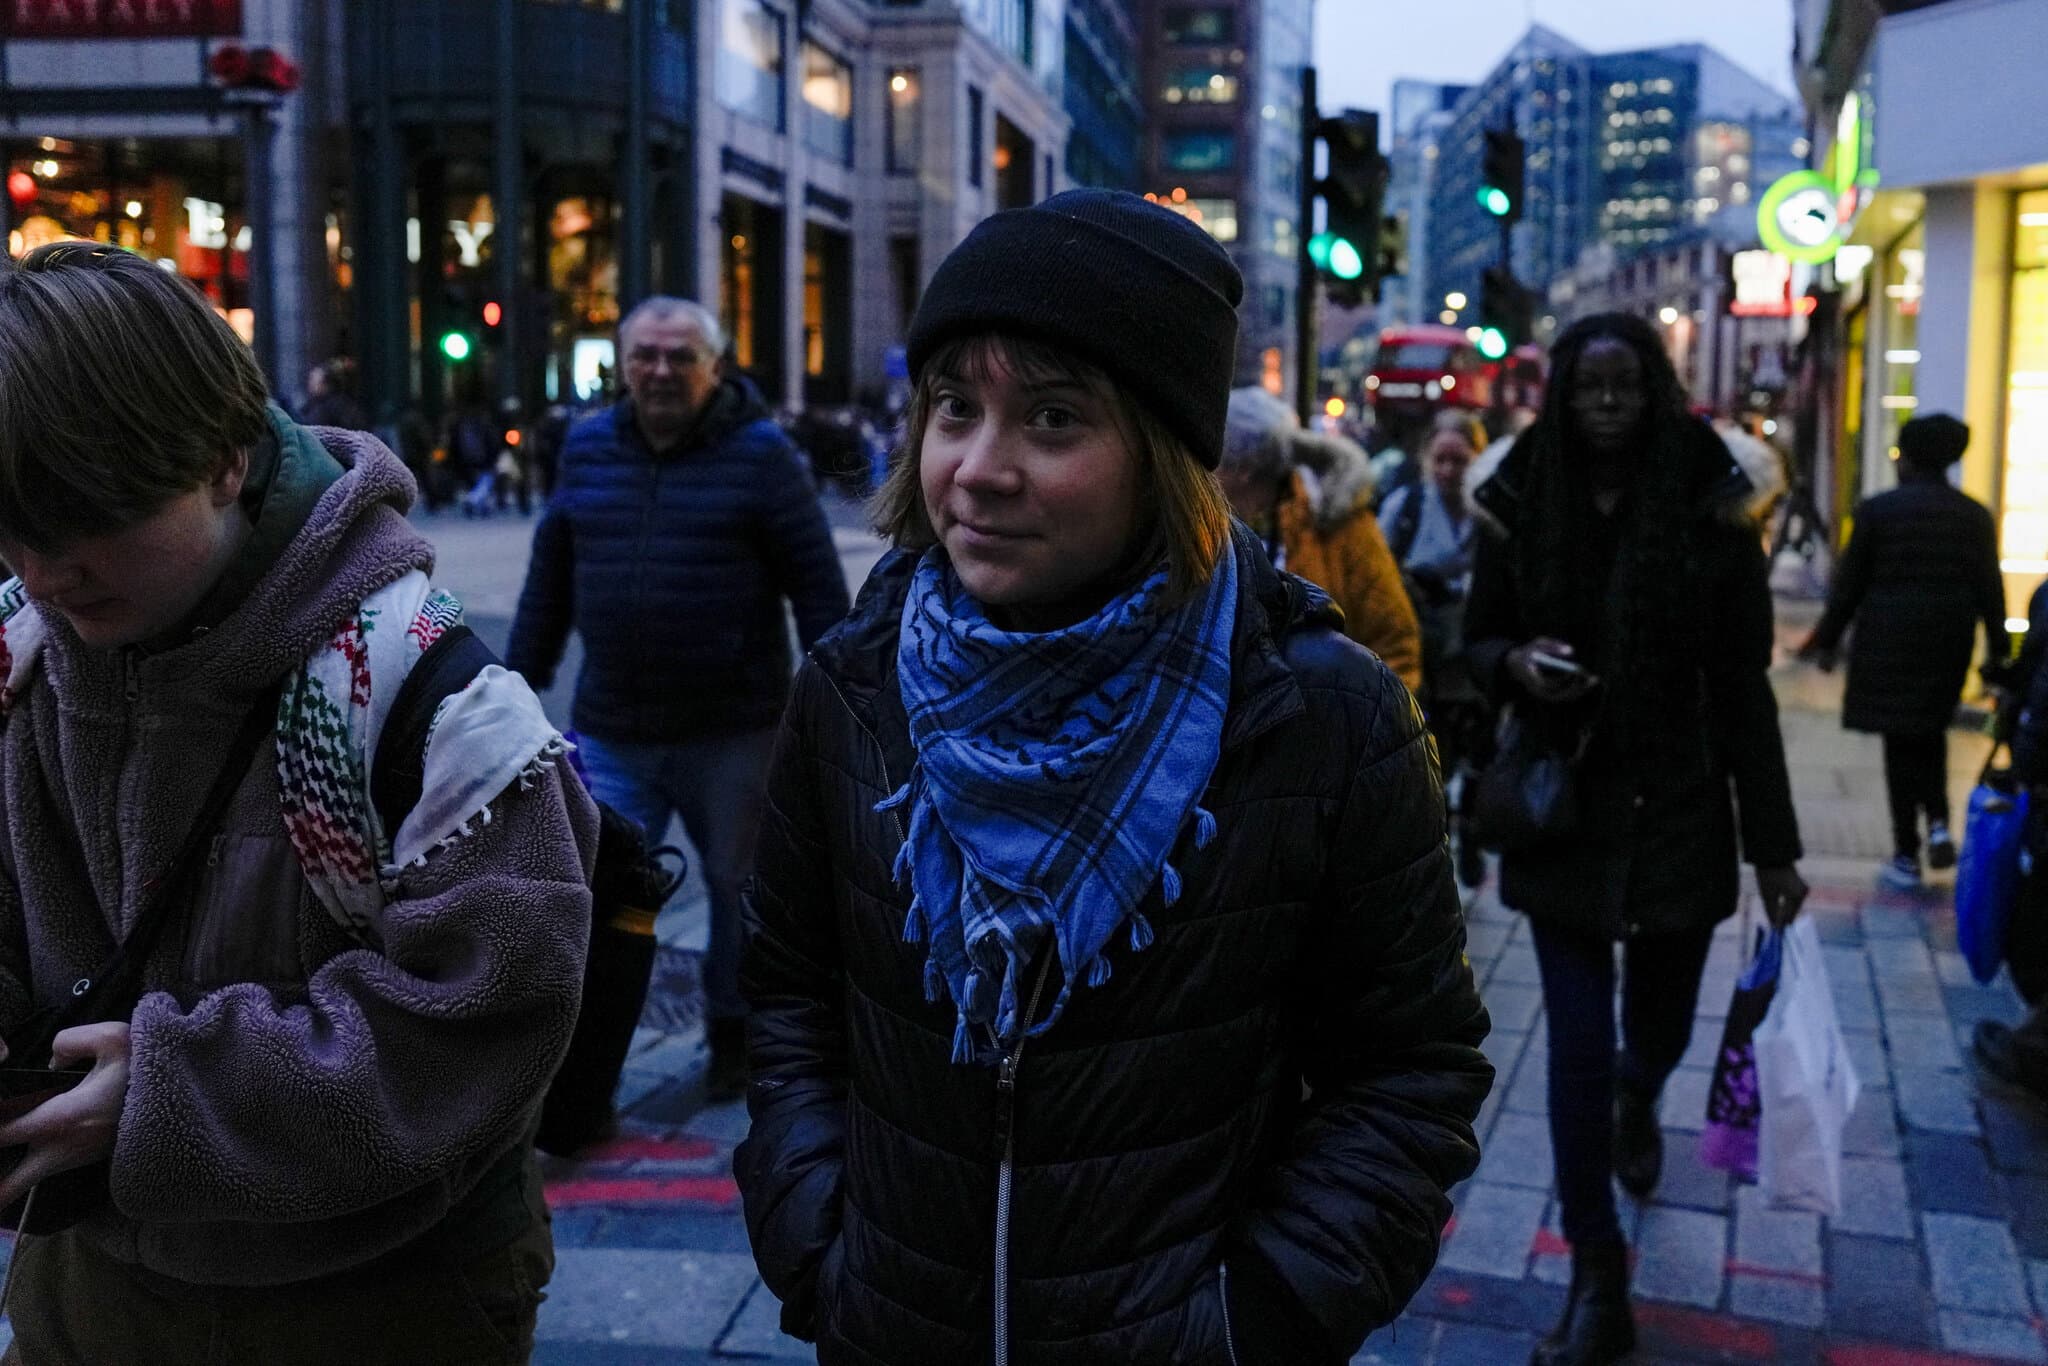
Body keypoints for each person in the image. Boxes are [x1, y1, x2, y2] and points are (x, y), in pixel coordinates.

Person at [733, 189, 1492, 1366]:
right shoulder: (850, 688)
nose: (978, 470)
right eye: (952, 408)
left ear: (1161, 451)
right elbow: (787, 995)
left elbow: (1407, 1070)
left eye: (1049, 418)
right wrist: (820, 1242)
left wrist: (1252, 1324)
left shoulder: (1323, 716)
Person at [0, 242, 597, 1360]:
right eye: (17, 529)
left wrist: (167, 1092)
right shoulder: (22, 662)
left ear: (225, 461)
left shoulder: (428, 693)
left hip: (382, 1294)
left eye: (93, 519)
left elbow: (492, 1012)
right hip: (90, 1285)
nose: (48, 570)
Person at [1465, 312, 1807, 1366]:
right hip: (1563, 809)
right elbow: (1473, 640)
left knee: (1651, 1030)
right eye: (1586, 389)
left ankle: (1639, 1091)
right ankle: (1594, 1276)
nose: (1604, 405)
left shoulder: (1710, 509)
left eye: (1622, 387)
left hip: (1679, 809)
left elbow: (1744, 686)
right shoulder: (1522, 498)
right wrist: (1513, 663)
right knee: (1569, 1048)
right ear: (1561, 397)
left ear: (1652, 392)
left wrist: (1775, 848)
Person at [506, 296, 850, 1101]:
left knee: (739, 888)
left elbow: (818, 588)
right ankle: (587, 1061)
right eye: (645, 356)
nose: (660, 371)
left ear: (716, 367)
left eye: (680, 357)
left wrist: (837, 704)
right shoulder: (587, 448)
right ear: (623, 366)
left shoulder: (763, 455)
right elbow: (548, 581)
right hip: (614, 725)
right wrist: (513, 691)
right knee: (592, 888)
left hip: (734, 730)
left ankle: (735, 1034)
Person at [1799, 413, 2006, 890]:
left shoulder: (1878, 511)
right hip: (1947, 639)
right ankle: (1937, 820)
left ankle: (1906, 850)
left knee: (1900, 743)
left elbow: (1848, 585)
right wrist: (1997, 656)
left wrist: (1827, 643)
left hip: (1888, 640)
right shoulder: (1973, 516)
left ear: (1908, 458)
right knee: (1930, 732)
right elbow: (1989, 591)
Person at [1218, 385, 1424, 691]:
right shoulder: (1210, 529)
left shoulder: (1340, 522)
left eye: (1216, 462)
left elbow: (1395, 645)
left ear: (1244, 469)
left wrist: (1355, 732)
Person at [1380, 419, 1488, 886]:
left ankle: (1475, 832)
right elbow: (1379, 576)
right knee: (1432, 758)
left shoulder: (1489, 512)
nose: (1448, 470)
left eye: (1459, 460)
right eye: (1440, 459)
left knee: (1480, 754)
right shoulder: (1405, 507)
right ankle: (1438, 845)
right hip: (1424, 655)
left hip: (1474, 658)